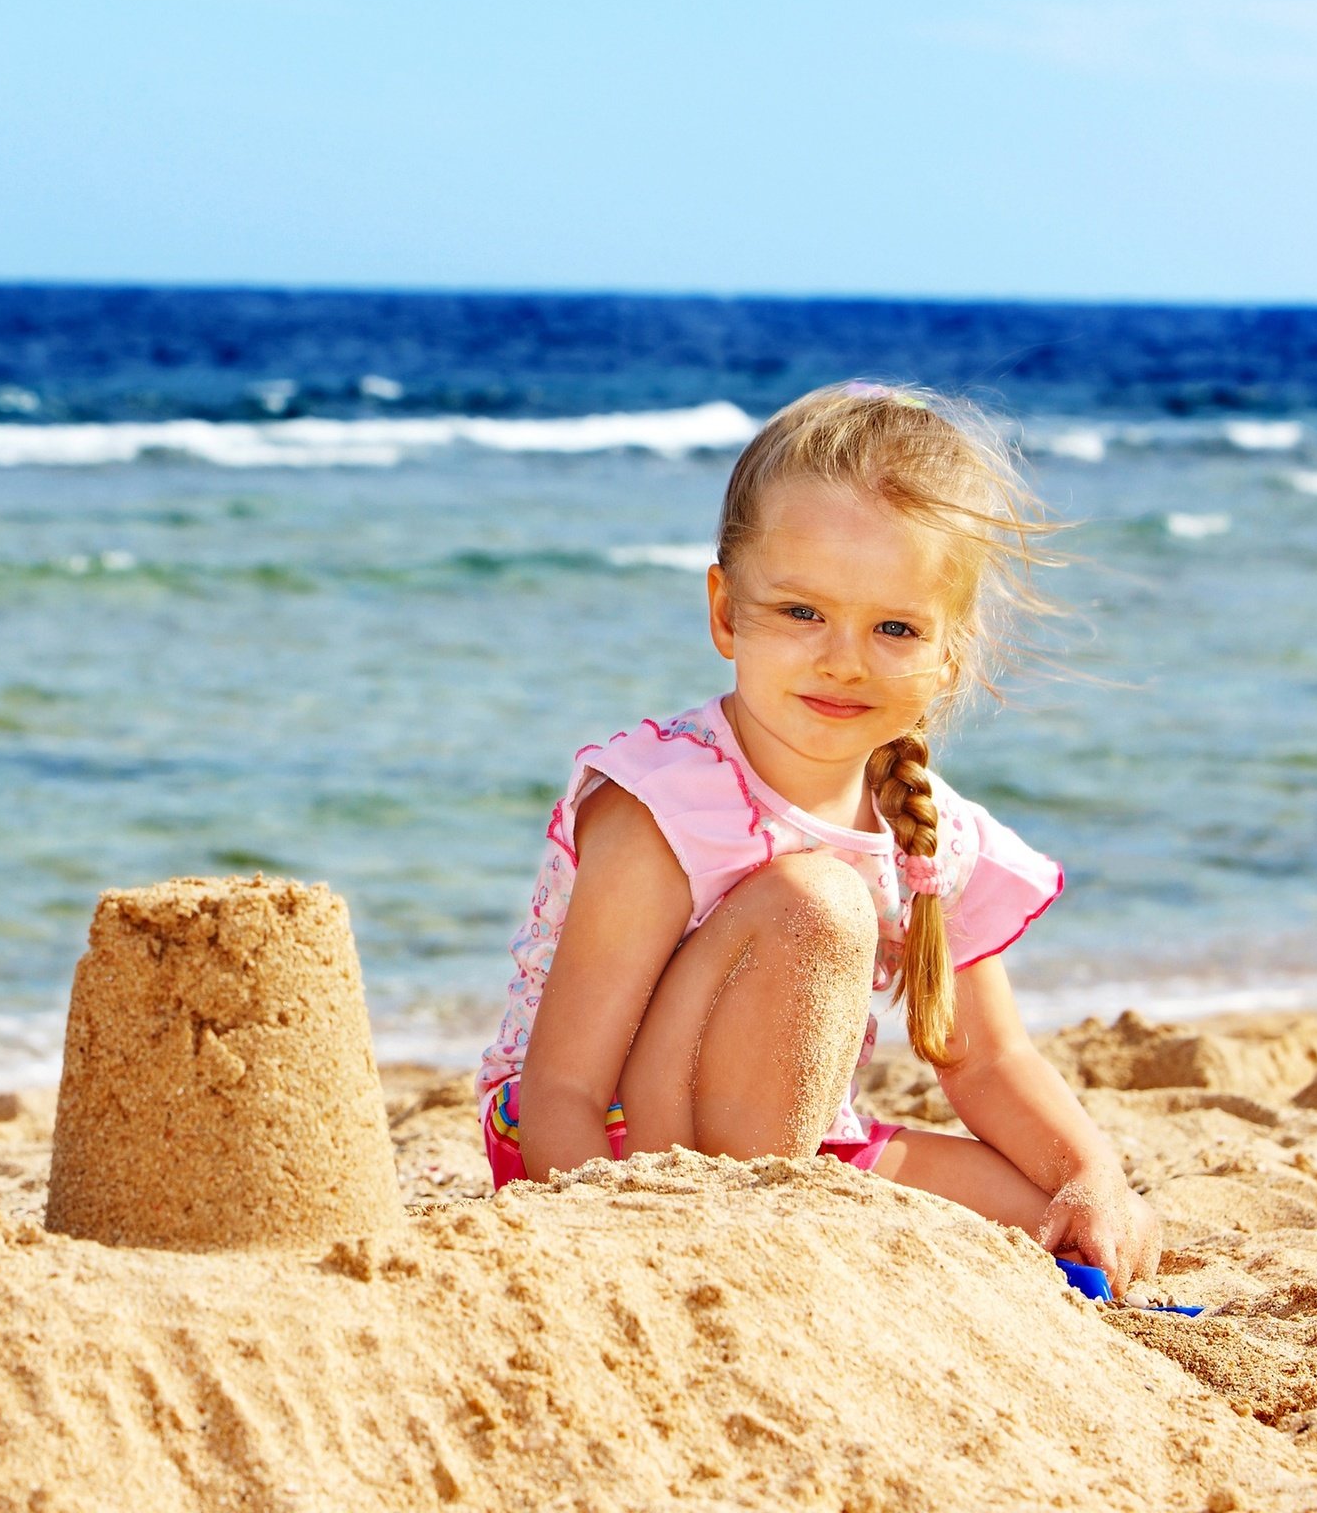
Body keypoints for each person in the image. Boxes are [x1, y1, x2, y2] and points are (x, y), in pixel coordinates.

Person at [476, 380, 1161, 1288]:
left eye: (895, 626)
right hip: (606, 1148)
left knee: (1058, 1225)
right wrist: (609, 1258)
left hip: (793, 1143)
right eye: (802, 612)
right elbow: (562, 1086)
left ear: (949, 651)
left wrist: (1093, 1175)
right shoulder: (665, 804)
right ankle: (746, 1242)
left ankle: (787, 1215)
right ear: (725, 611)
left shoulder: (927, 831)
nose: (844, 658)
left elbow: (988, 1056)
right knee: (818, 903)